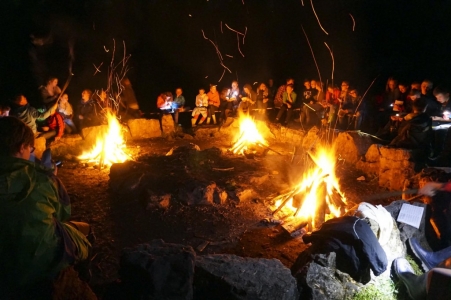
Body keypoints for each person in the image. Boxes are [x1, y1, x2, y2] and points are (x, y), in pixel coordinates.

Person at [0, 117, 91, 295]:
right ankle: (81, 280)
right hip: (39, 262)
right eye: (31, 149)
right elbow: (63, 214)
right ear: (21, 148)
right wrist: (52, 178)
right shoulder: (41, 178)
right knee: (84, 234)